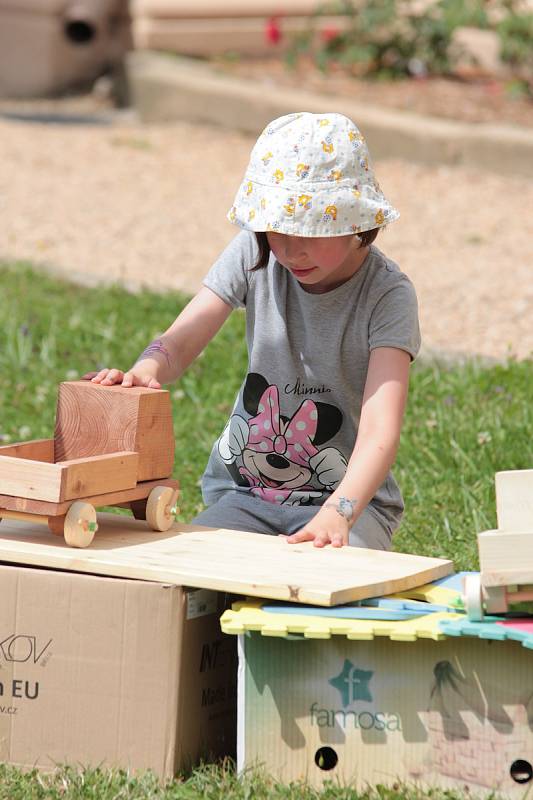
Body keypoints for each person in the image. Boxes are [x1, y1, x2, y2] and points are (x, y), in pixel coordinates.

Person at [89, 112, 420, 549]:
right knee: (197, 576)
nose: (289, 248)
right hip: (245, 495)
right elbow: (182, 338)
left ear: (354, 220)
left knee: (326, 586)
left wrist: (337, 514)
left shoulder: (387, 295)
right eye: (275, 228)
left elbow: (380, 429)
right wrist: (145, 369)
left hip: (351, 504)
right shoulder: (255, 253)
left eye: (309, 228)